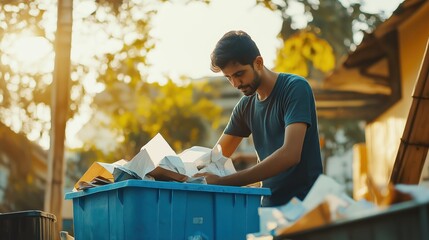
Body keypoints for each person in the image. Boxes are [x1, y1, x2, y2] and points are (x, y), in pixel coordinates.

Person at [194, 30, 323, 207]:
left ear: (258, 62)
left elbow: (290, 155)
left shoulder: (295, 88)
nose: (235, 84)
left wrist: (223, 182)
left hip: (306, 206)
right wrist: (183, 174)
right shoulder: (245, 106)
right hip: (269, 208)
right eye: (228, 77)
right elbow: (216, 158)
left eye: (239, 74)